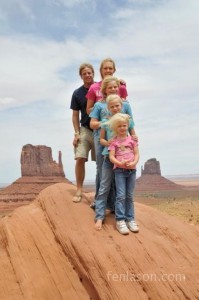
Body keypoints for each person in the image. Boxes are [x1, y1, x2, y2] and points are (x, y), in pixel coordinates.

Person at [94, 95, 137, 230]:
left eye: (117, 105)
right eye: (112, 106)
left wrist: (135, 136)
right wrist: (107, 143)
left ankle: (127, 218)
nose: (115, 108)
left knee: (124, 192)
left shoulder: (127, 120)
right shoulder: (105, 122)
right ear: (108, 108)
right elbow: (101, 139)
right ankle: (99, 217)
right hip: (109, 158)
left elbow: (133, 136)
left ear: (121, 105)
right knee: (104, 187)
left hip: (124, 162)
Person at [89, 75, 132, 209]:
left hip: (121, 142)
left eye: (115, 87)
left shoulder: (124, 104)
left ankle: (114, 204)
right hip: (103, 140)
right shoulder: (99, 105)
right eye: (110, 87)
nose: (113, 89)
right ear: (104, 89)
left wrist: (133, 138)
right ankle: (100, 202)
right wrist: (107, 122)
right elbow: (92, 124)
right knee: (102, 171)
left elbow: (130, 123)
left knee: (118, 171)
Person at [108, 113, 139, 235]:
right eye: (119, 126)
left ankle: (130, 219)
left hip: (132, 170)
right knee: (121, 195)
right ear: (116, 128)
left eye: (124, 125)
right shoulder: (114, 141)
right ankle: (120, 220)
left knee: (129, 195)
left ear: (128, 126)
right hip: (120, 171)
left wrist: (134, 162)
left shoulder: (132, 140)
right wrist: (119, 163)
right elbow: (111, 157)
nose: (122, 128)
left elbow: (136, 153)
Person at [70, 63, 95, 202]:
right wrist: (76, 133)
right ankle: (79, 189)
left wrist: (121, 82)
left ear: (93, 74)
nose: (87, 75)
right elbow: (75, 115)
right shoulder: (77, 93)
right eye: (84, 73)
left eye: (89, 72)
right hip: (84, 129)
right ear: (81, 76)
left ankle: (102, 193)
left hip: (99, 129)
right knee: (80, 158)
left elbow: (113, 87)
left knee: (102, 163)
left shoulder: (99, 87)